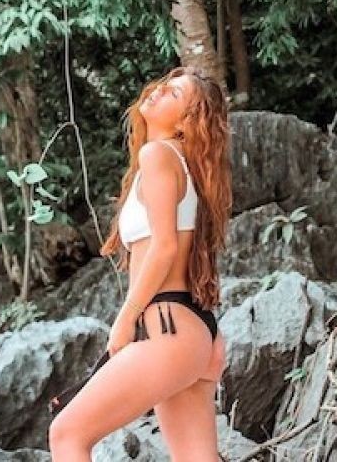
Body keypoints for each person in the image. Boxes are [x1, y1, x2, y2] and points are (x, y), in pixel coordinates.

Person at [48, 64, 233, 461]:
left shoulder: (158, 155)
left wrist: (125, 318)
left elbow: (165, 247)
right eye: (165, 84)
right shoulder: (182, 166)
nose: (159, 90)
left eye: (174, 94)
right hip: (193, 332)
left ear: (185, 123)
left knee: (66, 434)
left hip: (166, 330)